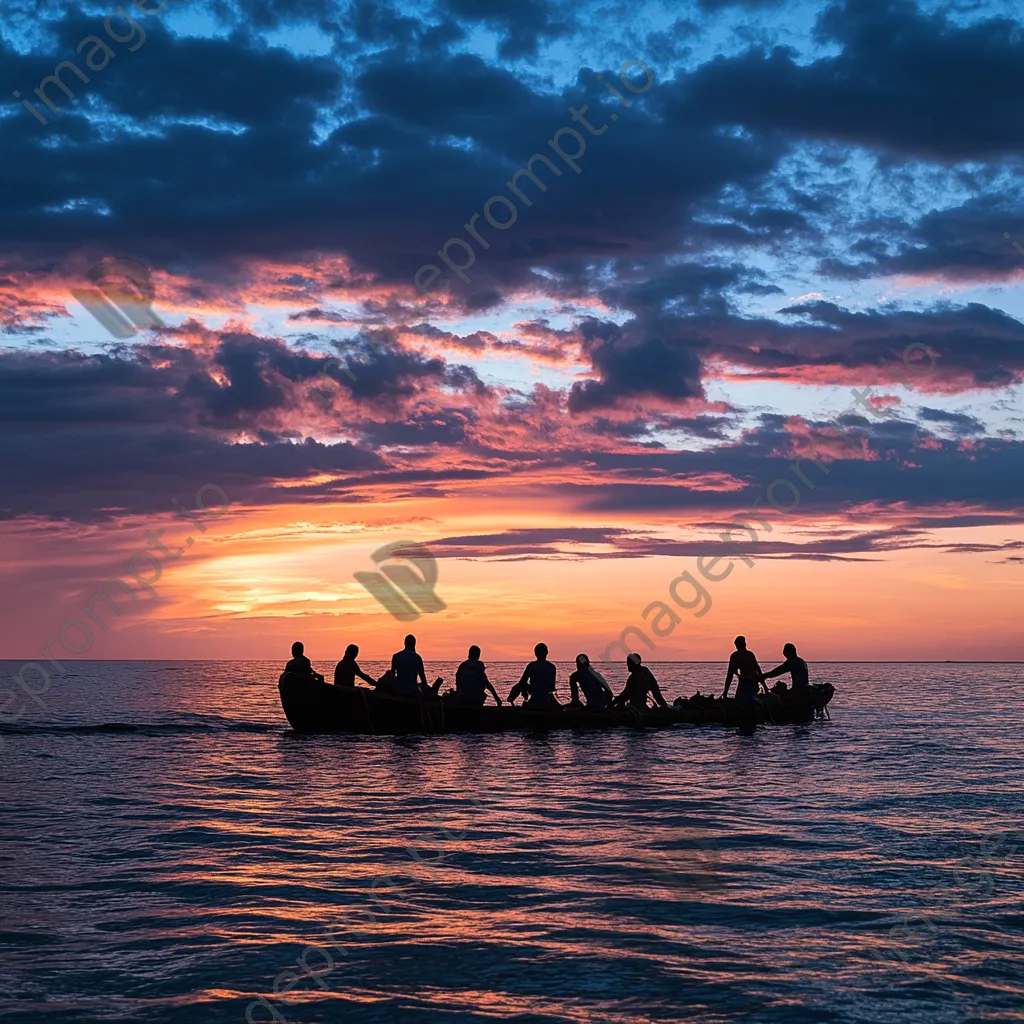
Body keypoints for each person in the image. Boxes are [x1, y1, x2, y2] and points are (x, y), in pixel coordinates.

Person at [507, 643, 559, 709]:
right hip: (547, 702)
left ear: (535, 653)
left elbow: (522, 682)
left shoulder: (531, 665)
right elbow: (552, 687)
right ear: (547, 652)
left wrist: (525, 691)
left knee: (517, 686)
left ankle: (510, 701)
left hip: (534, 702)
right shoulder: (552, 667)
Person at [722, 636, 767, 702]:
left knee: (740, 703)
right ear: (745, 644)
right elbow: (758, 671)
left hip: (745, 684)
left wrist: (725, 692)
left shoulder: (735, 656)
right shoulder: (750, 654)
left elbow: (729, 675)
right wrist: (765, 687)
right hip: (754, 684)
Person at [390, 634, 429, 698]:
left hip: (398, 690)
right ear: (414, 645)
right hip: (412, 691)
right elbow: (422, 678)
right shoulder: (417, 658)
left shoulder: (396, 656)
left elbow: (393, 676)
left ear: (404, 643)